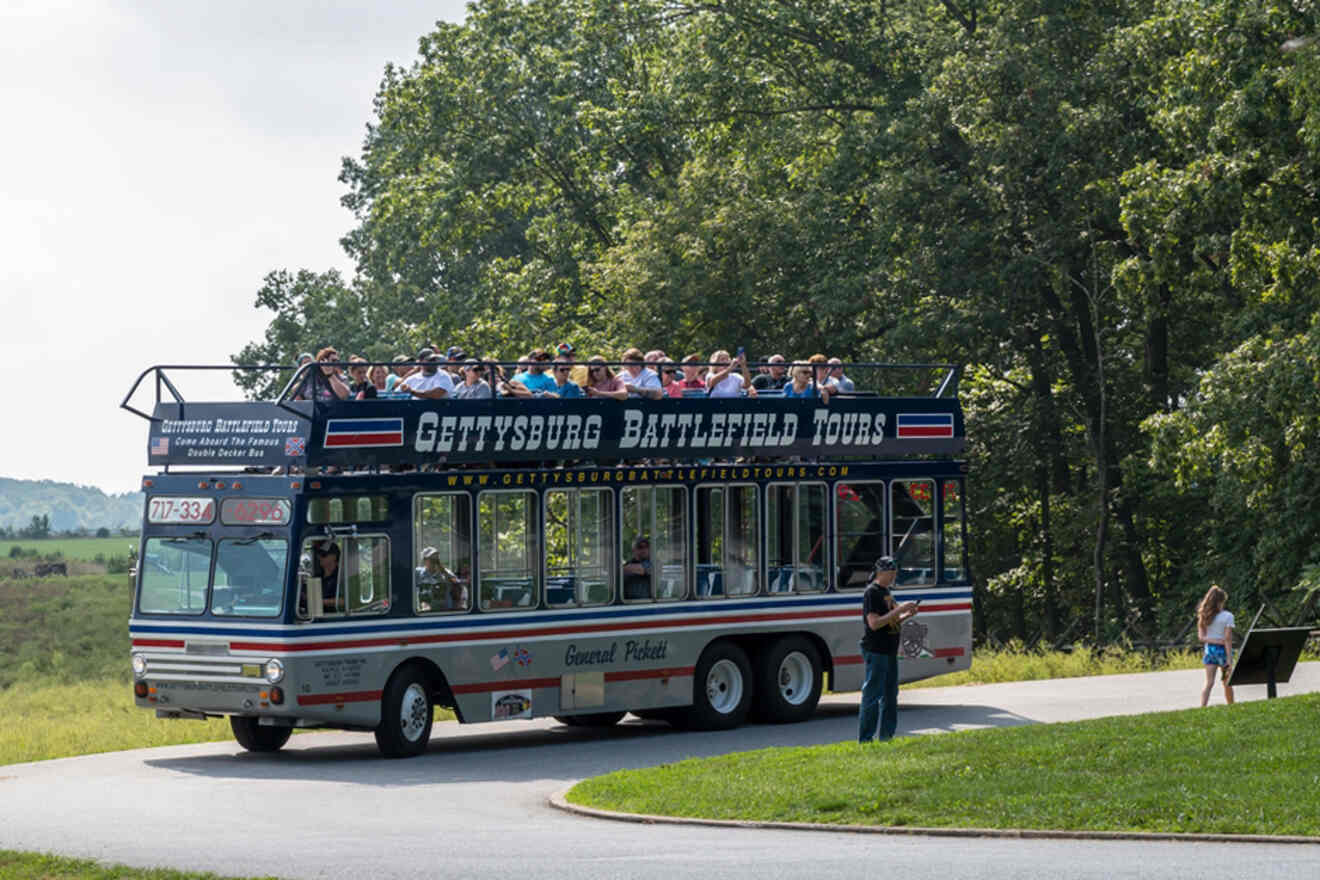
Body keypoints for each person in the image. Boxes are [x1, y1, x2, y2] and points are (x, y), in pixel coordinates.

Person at [858, 556, 919, 742]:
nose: (893, 577)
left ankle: (886, 737)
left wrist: (907, 614)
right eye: (891, 573)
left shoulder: (887, 592)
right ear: (881, 572)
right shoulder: (872, 593)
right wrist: (899, 609)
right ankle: (866, 739)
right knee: (873, 695)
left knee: (891, 696)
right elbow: (874, 623)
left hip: (890, 651)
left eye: (895, 573)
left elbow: (890, 621)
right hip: (876, 650)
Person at [1197, 585, 1235, 707]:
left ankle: (1202, 707)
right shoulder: (1228, 616)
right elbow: (1228, 639)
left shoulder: (1204, 615)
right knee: (1227, 682)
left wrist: (1214, 641)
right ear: (1220, 601)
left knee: (1209, 682)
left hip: (1209, 651)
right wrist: (1229, 659)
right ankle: (1231, 706)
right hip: (1223, 652)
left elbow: (1201, 638)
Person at [416, 546, 466, 611]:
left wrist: (443, 572)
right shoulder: (418, 573)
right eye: (432, 559)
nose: (435, 562)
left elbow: (457, 585)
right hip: (425, 611)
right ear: (425, 560)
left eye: (437, 559)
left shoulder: (446, 572)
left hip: (444, 611)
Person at [313, 541, 342, 612]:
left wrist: (322, 602)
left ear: (334, 556)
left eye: (323, 555)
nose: (319, 557)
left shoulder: (341, 577)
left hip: (332, 618)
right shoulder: (317, 576)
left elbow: (345, 601)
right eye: (318, 554)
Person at [622, 536, 651, 600]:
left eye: (647, 546)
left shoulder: (654, 563)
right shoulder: (629, 563)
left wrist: (620, 569)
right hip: (627, 601)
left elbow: (642, 569)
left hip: (645, 603)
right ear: (633, 549)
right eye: (640, 547)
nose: (644, 549)